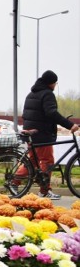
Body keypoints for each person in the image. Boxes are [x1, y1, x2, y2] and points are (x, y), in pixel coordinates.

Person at [19, 70, 80, 199]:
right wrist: (70, 125)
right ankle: (45, 191)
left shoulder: (32, 93)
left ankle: (14, 182)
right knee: (47, 161)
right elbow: (51, 113)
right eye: (55, 83)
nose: (55, 85)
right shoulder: (47, 94)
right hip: (41, 133)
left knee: (33, 162)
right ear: (50, 83)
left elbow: (27, 113)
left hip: (32, 131)